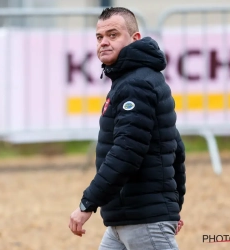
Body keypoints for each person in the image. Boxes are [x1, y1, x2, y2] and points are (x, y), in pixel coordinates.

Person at [68, 7, 186, 250]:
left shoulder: (136, 85)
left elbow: (126, 153)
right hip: (127, 219)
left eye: (113, 35)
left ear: (135, 39)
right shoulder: (132, 80)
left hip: (143, 221)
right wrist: (172, 208)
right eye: (100, 37)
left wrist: (87, 204)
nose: (104, 42)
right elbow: (176, 148)